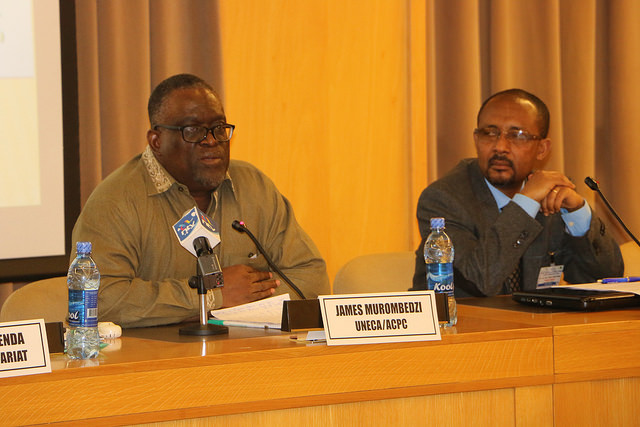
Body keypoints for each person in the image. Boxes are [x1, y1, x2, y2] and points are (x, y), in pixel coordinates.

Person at [72, 73, 330, 327]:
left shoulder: (255, 187)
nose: (210, 141)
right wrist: (212, 297)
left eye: (218, 129)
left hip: (250, 355)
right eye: (193, 131)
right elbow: (100, 300)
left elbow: (312, 279)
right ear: (156, 141)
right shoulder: (116, 201)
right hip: (157, 361)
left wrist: (248, 297)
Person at [411, 88, 623, 297]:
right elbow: (480, 279)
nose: (500, 146)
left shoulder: (552, 196)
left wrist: (578, 212)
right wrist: (525, 203)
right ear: (476, 140)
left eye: (517, 135)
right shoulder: (444, 199)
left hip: (533, 327)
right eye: (489, 133)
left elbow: (604, 281)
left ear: (542, 149)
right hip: (460, 327)